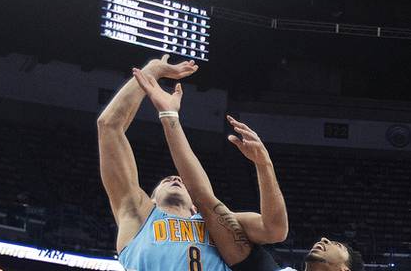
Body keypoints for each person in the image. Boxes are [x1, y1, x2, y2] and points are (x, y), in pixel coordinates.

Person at [98, 55, 286, 271]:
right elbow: (109, 126)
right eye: (166, 181)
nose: (175, 178)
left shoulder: (214, 222)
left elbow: (274, 230)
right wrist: (153, 70)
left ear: (194, 204)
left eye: (179, 180)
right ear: (151, 198)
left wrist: (264, 165)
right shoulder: (137, 214)